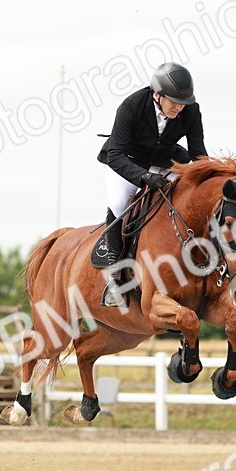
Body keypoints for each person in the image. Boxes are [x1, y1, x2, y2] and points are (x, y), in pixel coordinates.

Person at [95, 61, 207, 306]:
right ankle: (115, 277)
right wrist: (143, 177)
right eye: (174, 102)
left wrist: (208, 179)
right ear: (157, 95)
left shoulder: (190, 110)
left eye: (184, 103)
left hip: (163, 161)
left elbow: (198, 154)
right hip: (126, 161)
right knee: (119, 204)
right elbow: (116, 155)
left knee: (187, 194)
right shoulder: (131, 106)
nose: (179, 108)